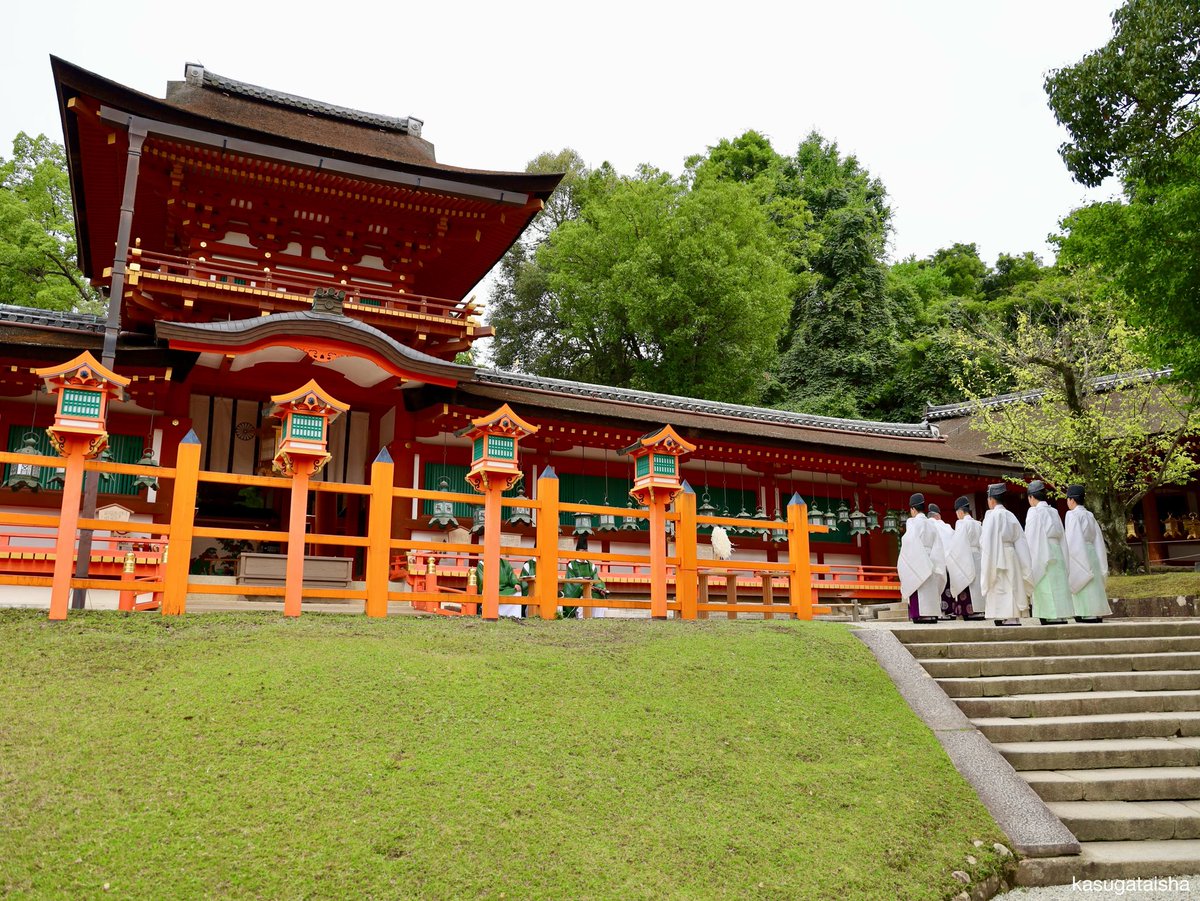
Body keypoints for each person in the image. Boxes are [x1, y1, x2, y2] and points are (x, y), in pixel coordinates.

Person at [980, 482, 1033, 626]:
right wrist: (1025, 564)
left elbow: (986, 540)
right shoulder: (1011, 516)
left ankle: (1002, 615)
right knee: (1012, 583)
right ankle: (1013, 615)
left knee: (999, 584)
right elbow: (1020, 540)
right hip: (1011, 553)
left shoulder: (991, 516)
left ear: (991, 499)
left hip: (995, 553)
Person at [1025, 480, 1074, 625]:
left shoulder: (1034, 512)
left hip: (1042, 550)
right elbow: (1062, 535)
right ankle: (1062, 614)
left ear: (1031, 497)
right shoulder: (1054, 511)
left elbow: (1031, 536)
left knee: (1045, 583)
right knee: (1058, 583)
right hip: (1057, 550)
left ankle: (1049, 614)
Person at [1064, 484, 1112, 623]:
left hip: (1080, 550)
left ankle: (1084, 611)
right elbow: (1097, 537)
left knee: (1082, 576)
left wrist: (1071, 554)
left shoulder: (1072, 514)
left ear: (1072, 500)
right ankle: (1095, 611)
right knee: (1094, 581)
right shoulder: (1089, 515)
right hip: (1092, 551)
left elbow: (1072, 537)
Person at [897, 492, 946, 624]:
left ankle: (921, 615)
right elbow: (938, 544)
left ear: (913, 509)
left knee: (918, 583)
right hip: (932, 557)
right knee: (930, 586)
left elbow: (909, 541)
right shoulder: (932, 524)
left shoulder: (912, 522)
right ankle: (932, 614)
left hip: (917, 557)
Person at [947, 496, 984, 620]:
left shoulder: (962, 523)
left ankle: (969, 611)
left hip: (966, 554)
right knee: (977, 584)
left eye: (957, 513)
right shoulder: (978, 524)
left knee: (967, 579)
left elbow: (958, 543)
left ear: (960, 512)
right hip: (978, 555)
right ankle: (980, 610)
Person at [563, 535, 608, 618]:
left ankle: (597, 618)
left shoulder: (591, 566)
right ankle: (581, 617)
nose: (585, 552)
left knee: (599, 596)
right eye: (582, 550)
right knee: (584, 597)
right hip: (577, 592)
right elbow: (570, 581)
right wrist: (582, 585)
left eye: (586, 550)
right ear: (577, 551)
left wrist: (600, 588)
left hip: (592, 590)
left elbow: (596, 579)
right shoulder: (572, 565)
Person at [928, 503, 957, 619]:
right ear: (938, 516)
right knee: (947, 587)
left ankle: (937, 612)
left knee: (936, 586)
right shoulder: (947, 527)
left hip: (934, 561)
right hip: (948, 562)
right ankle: (950, 611)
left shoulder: (927, 525)